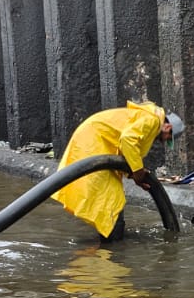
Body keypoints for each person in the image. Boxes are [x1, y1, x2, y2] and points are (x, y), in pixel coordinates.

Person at [52, 101, 182, 241]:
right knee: (110, 198)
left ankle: (110, 241)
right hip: (94, 142)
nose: (164, 141)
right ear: (168, 127)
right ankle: (111, 246)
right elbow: (127, 140)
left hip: (96, 143)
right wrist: (138, 173)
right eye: (168, 137)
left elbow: (124, 149)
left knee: (109, 198)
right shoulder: (152, 120)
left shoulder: (148, 119)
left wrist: (133, 175)